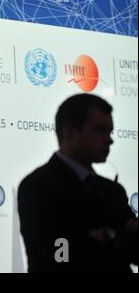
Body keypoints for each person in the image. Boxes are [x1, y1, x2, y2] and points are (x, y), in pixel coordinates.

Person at [18, 93, 137, 273]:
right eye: (99, 130)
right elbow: (59, 256)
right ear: (69, 131)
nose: (109, 140)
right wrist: (116, 238)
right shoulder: (38, 186)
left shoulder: (113, 190)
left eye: (110, 131)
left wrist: (101, 238)